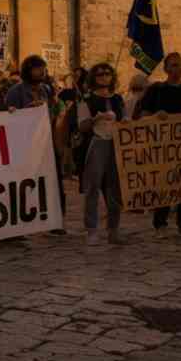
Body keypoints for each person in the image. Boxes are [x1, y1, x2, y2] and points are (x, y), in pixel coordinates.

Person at [134, 52, 181, 239]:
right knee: (164, 185)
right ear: (166, 69)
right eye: (173, 65)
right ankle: (160, 224)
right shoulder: (157, 90)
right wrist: (156, 116)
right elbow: (143, 115)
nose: (178, 69)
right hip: (162, 146)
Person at [6, 55, 67, 232]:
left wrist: (56, 107)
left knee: (54, 182)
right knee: (25, 183)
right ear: (28, 70)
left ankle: (56, 221)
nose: (41, 72)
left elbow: (55, 112)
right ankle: (19, 222)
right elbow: (9, 118)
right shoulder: (15, 92)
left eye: (43, 68)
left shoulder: (46, 89)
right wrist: (27, 111)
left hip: (46, 141)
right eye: (37, 68)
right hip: (26, 144)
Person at [77, 62, 126, 246]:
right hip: (97, 143)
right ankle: (91, 229)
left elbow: (125, 118)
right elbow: (82, 126)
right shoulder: (87, 100)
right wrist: (95, 118)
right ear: (93, 78)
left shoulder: (118, 99)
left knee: (115, 188)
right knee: (93, 187)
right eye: (100, 74)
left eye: (107, 73)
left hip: (116, 144)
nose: (104, 77)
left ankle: (113, 229)